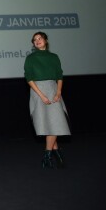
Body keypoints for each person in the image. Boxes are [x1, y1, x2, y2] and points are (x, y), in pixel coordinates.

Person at [24, 31, 70, 169]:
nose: (37, 41)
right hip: (38, 91)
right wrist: (41, 95)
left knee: (55, 122)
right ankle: (56, 154)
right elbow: (29, 78)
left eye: (39, 38)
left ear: (46, 40)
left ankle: (47, 155)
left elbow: (59, 75)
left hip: (53, 89)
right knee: (47, 124)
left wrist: (58, 92)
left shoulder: (54, 57)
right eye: (34, 40)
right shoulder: (31, 58)